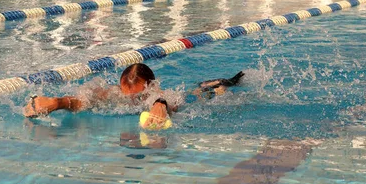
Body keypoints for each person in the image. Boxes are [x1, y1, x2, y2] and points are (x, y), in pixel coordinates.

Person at [23, 63, 244, 130]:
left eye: (136, 96)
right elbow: (84, 100)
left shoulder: (158, 94)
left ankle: (218, 85)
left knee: (202, 94)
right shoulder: (111, 93)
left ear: (150, 87)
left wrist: (160, 104)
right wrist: (58, 102)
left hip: (189, 101)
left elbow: (171, 101)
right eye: (125, 94)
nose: (129, 100)